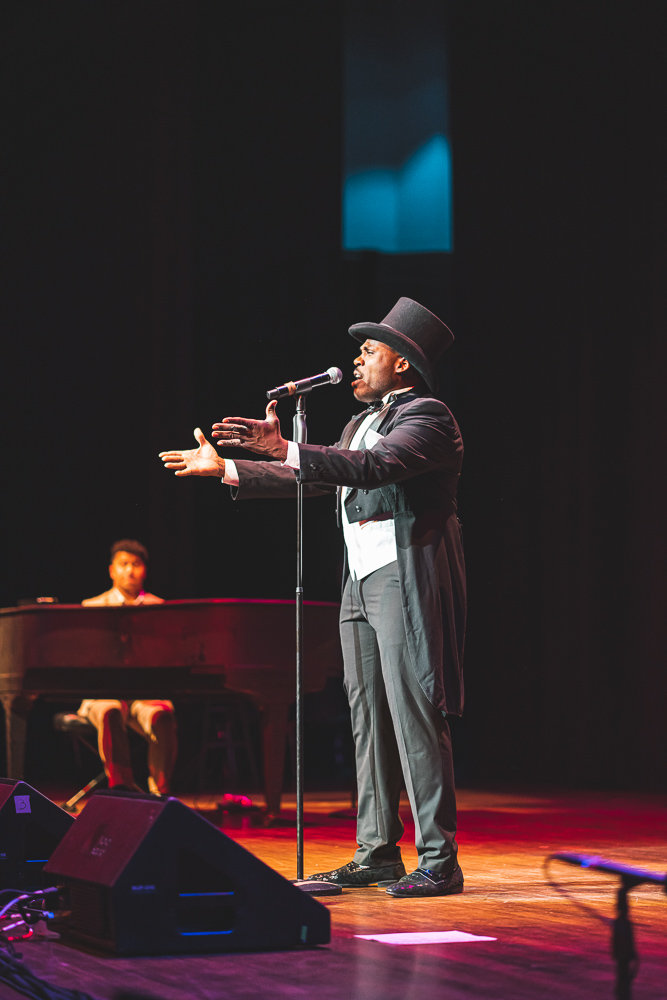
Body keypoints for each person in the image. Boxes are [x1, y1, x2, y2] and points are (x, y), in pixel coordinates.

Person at [159, 297, 466, 897]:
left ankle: (440, 857)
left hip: (403, 579)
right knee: (367, 716)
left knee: (412, 713)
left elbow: (374, 469)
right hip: (359, 580)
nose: (355, 359)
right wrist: (229, 468)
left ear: (402, 363)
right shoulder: (359, 422)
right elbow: (323, 473)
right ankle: (376, 850)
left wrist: (286, 448)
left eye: (368, 350)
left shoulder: (429, 417)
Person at [79, 539, 177, 795]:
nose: (130, 571)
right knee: (110, 710)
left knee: (163, 716)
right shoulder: (91, 607)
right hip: (105, 694)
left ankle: (161, 795)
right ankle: (120, 790)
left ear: (145, 569)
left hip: (144, 695)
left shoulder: (160, 608)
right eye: (124, 564)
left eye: (136, 564)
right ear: (112, 570)